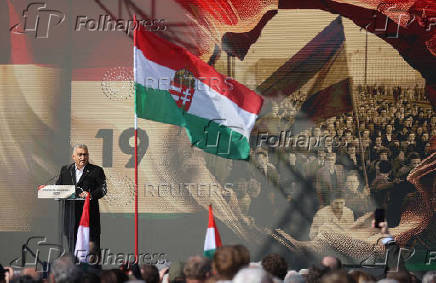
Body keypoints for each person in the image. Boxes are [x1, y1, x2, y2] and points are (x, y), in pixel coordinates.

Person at [56, 144, 107, 255]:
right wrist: (57, 194)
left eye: (85, 154)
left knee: (92, 254)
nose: (83, 158)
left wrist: (90, 195)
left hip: (89, 219)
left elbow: (103, 189)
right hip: (71, 219)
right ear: (73, 156)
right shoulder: (65, 170)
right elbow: (58, 187)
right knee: (73, 254)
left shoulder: (96, 170)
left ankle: (93, 272)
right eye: (80, 155)